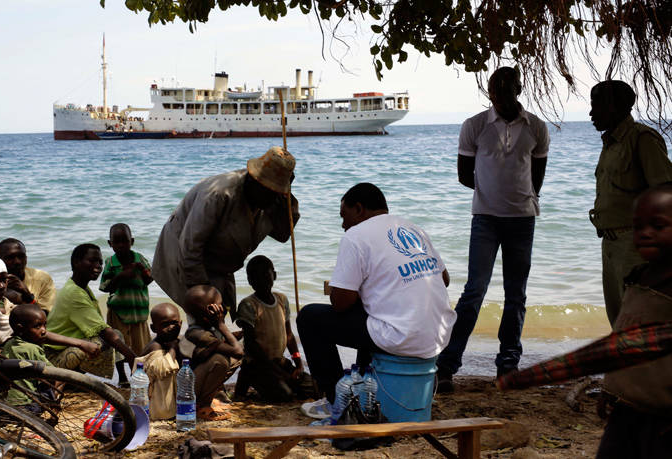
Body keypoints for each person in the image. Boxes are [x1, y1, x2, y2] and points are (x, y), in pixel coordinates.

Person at [436, 67, 550, 391]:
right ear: (489, 93)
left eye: (505, 89)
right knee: (474, 291)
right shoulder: (474, 126)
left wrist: (520, 199)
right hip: (485, 218)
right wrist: (491, 192)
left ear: (519, 89)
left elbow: (537, 176)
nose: (499, 96)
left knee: (516, 295)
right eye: (494, 90)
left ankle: (507, 367)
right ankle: (447, 366)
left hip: (522, 220)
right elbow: (463, 175)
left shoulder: (537, 128)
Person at [296, 183, 456, 415]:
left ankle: (337, 401)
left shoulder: (355, 236)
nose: (343, 225)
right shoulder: (412, 228)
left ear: (359, 209)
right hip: (437, 336)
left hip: (402, 336)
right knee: (369, 312)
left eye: (344, 216)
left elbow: (340, 303)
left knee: (309, 318)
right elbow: (445, 279)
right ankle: (362, 387)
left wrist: (353, 289)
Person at [152, 146, 298, 320]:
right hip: (184, 256)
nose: (273, 198)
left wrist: (289, 206)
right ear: (255, 181)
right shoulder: (218, 194)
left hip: (220, 264)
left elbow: (282, 235)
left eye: (277, 193)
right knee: (204, 322)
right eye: (270, 192)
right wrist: (205, 296)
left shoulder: (272, 199)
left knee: (220, 320)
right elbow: (191, 248)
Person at [595, 184, 672, 458]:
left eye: (658, 225)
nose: (646, 233)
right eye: (638, 225)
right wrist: (610, 388)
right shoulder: (639, 278)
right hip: (626, 410)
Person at [588, 80, 672, 326]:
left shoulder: (642, 139)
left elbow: (665, 194)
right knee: (618, 322)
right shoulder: (610, 144)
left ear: (614, 107)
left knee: (641, 322)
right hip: (610, 246)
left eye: (596, 106)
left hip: (633, 248)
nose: (591, 113)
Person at [46, 243, 135, 385]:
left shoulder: (81, 288)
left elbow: (103, 328)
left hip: (62, 350)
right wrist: (131, 357)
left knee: (114, 335)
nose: (98, 266)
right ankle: (65, 381)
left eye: (100, 262)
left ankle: (123, 380)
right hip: (52, 357)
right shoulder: (74, 293)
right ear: (76, 262)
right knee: (102, 341)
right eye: (92, 260)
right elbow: (103, 331)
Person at [234, 255, 315, 402]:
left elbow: (289, 336)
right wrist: (278, 373)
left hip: (279, 362)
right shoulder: (248, 305)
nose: (262, 280)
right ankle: (250, 381)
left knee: (313, 388)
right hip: (258, 365)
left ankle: (277, 382)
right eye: (255, 277)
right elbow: (251, 345)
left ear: (274, 275)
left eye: (266, 275)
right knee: (285, 395)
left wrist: (298, 364)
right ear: (250, 281)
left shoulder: (282, 300)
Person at [100, 223, 153, 379]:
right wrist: (121, 276)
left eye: (125, 241)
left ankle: (139, 375)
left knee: (141, 346)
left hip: (139, 311)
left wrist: (141, 270)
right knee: (119, 348)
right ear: (110, 244)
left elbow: (149, 279)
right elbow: (105, 287)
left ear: (132, 241)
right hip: (118, 312)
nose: (121, 245)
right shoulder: (111, 263)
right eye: (117, 242)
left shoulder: (140, 259)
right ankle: (122, 377)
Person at [183, 285, 243, 421]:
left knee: (232, 355)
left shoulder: (204, 327)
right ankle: (202, 405)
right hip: (187, 390)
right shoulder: (197, 333)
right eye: (220, 306)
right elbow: (238, 352)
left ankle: (208, 396)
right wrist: (221, 324)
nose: (223, 310)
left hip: (194, 379)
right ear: (210, 311)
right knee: (220, 361)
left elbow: (221, 345)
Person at [139, 302, 183, 420]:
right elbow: (164, 369)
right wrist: (173, 348)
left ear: (181, 323)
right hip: (154, 402)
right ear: (153, 328)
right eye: (165, 325)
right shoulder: (155, 347)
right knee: (166, 373)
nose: (171, 328)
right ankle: (166, 413)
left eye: (174, 323)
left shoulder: (173, 342)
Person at [0, 238, 57, 315]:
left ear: (26, 257)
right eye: (11, 257)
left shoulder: (42, 278)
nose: (17, 262)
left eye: (21, 256)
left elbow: (45, 315)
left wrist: (27, 295)